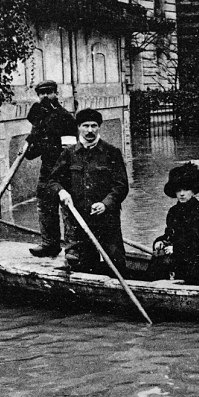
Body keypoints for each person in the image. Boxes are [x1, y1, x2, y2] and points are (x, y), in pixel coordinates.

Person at [48, 109, 128, 275]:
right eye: (86, 126)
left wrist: (105, 204)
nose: (90, 130)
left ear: (99, 127)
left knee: (116, 265)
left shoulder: (112, 152)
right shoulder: (69, 154)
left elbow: (121, 186)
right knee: (85, 267)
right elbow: (52, 181)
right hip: (81, 221)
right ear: (78, 127)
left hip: (108, 221)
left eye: (94, 126)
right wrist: (62, 192)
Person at [23, 80, 77, 257]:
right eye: (41, 94)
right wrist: (29, 145)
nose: (45, 96)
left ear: (56, 94)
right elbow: (33, 151)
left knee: (68, 210)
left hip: (64, 172)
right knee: (45, 207)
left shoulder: (65, 118)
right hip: (46, 170)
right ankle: (49, 244)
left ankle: (72, 249)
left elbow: (69, 150)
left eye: (48, 92)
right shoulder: (39, 120)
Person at [147, 163, 199, 285]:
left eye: (186, 190)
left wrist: (177, 249)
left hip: (197, 264)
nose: (182, 194)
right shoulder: (173, 212)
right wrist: (160, 242)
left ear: (193, 191)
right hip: (178, 260)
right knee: (156, 265)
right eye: (178, 190)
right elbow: (169, 235)